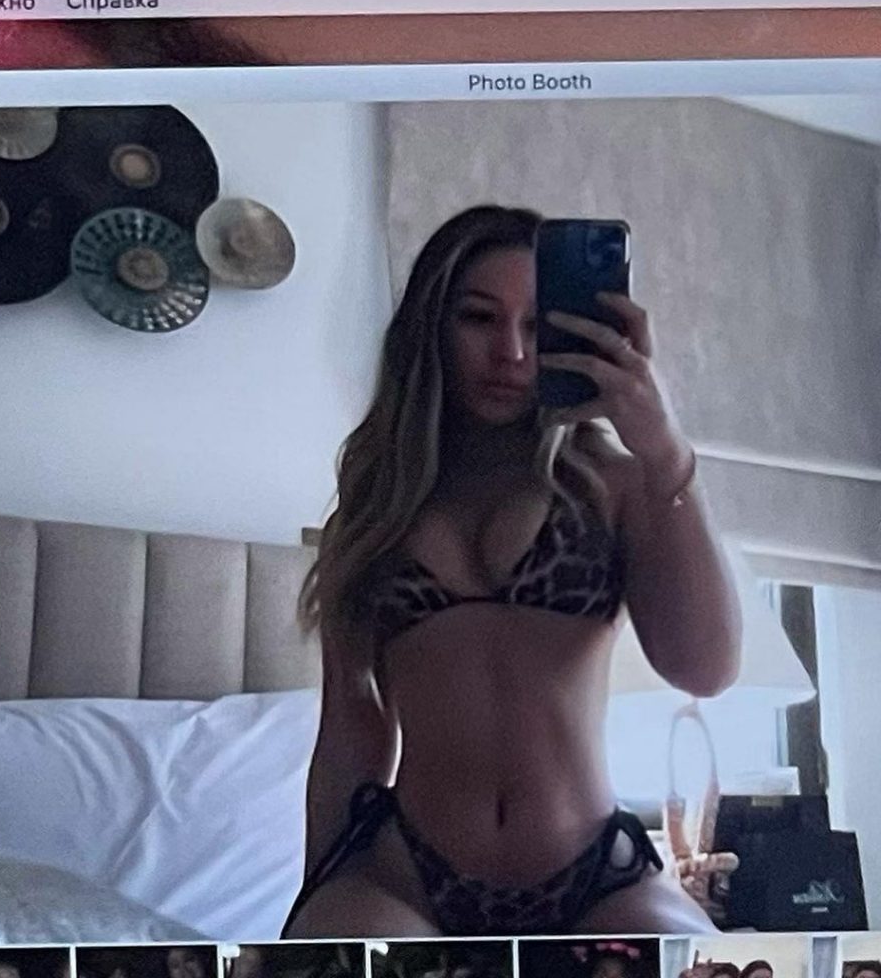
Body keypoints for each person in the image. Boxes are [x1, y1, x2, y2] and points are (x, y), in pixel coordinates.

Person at [283, 204, 742, 937]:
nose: (512, 352)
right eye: (479, 318)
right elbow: (350, 730)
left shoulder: (618, 487)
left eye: (537, 325)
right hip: (406, 879)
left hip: (593, 876)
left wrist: (665, 451)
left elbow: (705, 670)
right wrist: (317, 890)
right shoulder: (372, 514)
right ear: (431, 329)